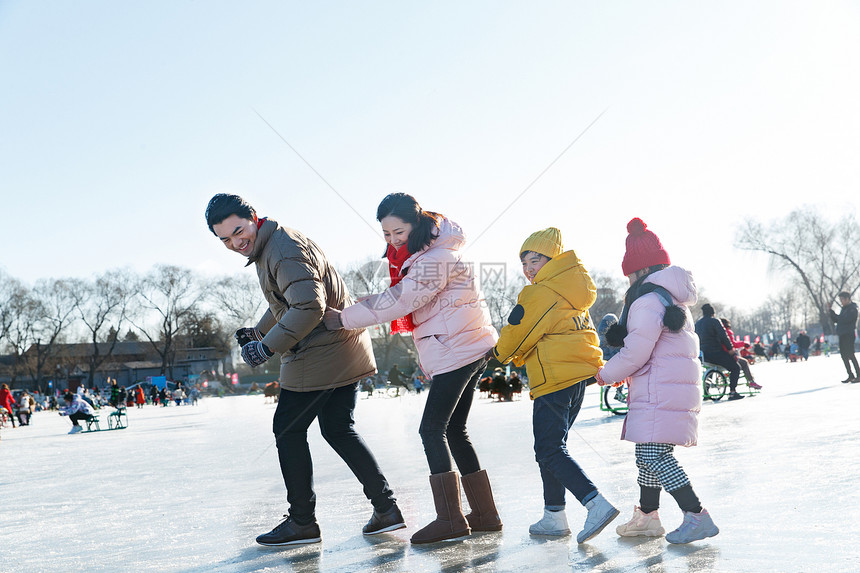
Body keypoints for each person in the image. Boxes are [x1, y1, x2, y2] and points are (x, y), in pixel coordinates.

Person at [206, 193, 403, 546]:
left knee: (288, 429)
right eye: (225, 239)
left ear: (253, 216)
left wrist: (266, 347)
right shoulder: (273, 244)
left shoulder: (281, 249)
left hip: (321, 351)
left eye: (238, 231)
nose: (236, 243)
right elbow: (286, 301)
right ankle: (386, 509)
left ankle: (302, 522)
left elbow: (309, 306)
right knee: (339, 430)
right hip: (340, 347)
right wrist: (258, 331)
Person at [323, 192, 501, 544]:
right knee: (454, 430)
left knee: (431, 429)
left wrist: (344, 319)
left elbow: (404, 299)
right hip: (465, 345)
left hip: (457, 347)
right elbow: (402, 294)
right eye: (386, 234)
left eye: (398, 232)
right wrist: (363, 304)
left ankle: (450, 518)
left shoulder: (436, 258)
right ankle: (484, 514)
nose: (392, 240)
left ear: (416, 223)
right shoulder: (429, 253)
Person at [490, 227, 619, 543]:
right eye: (524, 262)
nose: (529, 268)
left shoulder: (541, 293)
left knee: (548, 448)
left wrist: (494, 356)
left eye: (536, 260)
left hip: (554, 379)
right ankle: (554, 516)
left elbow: (516, 333)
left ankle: (595, 503)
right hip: (575, 379)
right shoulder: (573, 292)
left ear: (553, 260)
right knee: (550, 448)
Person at [597, 217, 719, 545]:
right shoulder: (668, 297)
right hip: (666, 388)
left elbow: (636, 352)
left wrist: (604, 375)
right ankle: (648, 516)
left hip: (658, 390)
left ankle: (696, 515)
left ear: (638, 271)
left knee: (653, 455)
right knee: (646, 454)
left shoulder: (647, 301)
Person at [695, 305, 744, 401]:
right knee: (735, 367)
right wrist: (730, 349)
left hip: (703, 355)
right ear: (713, 313)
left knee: (710, 369)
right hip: (715, 352)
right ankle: (732, 392)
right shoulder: (715, 321)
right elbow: (723, 336)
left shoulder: (697, 324)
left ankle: (706, 391)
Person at [719, 318, 762, 390]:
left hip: (720, 355)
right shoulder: (727, 332)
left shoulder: (717, 332)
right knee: (744, 362)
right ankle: (751, 381)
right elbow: (733, 344)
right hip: (728, 354)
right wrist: (744, 343)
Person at [830, 292, 860, 383]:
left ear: (847, 299)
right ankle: (850, 375)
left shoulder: (852, 309)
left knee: (850, 354)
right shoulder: (844, 309)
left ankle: (859, 374)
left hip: (849, 334)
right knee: (844, 355)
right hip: (842, 334)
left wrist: (838, 318)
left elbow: (844, 320)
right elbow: (837, 320)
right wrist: (830, 312)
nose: (841, 301)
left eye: (842, 299)